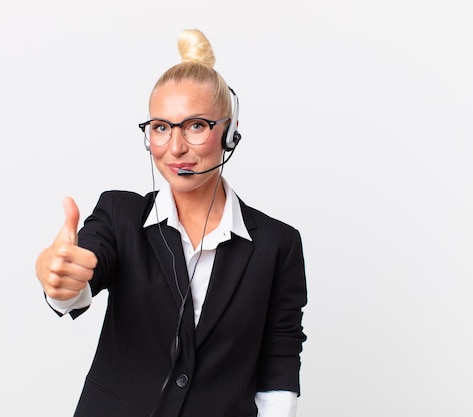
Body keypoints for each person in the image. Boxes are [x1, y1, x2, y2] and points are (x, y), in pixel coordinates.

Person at [35, 28, 307, 417]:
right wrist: (57, 277)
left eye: (195, 125)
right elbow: (79, 279)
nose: (176, 147)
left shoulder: (277, 244)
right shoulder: (119, 215)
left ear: (228, 133)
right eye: (161, 128)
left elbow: (279, 361)